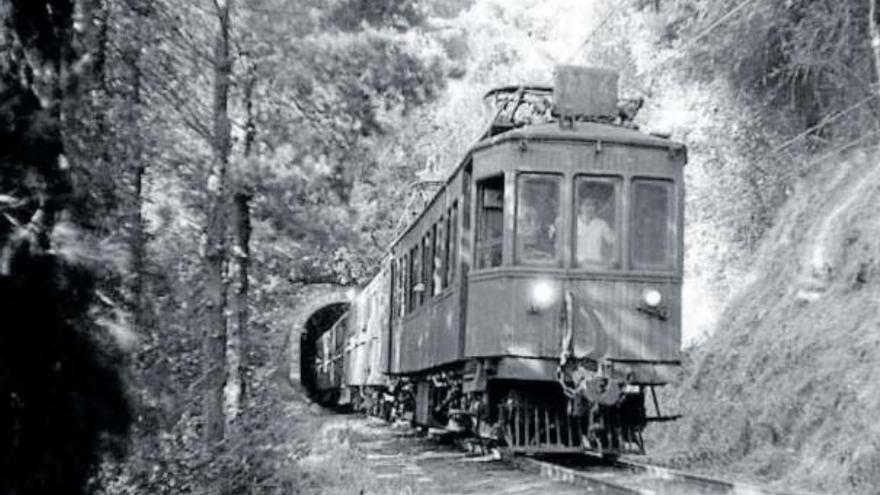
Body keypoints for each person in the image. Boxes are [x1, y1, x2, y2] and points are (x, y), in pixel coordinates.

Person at [576, 197, 615, 265]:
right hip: (578, 264)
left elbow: (611, 241)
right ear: (580, 207)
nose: (590, 208)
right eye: (587, 205)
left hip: (596, 264)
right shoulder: (573, 223)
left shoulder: (601, 224)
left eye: (592, 205)